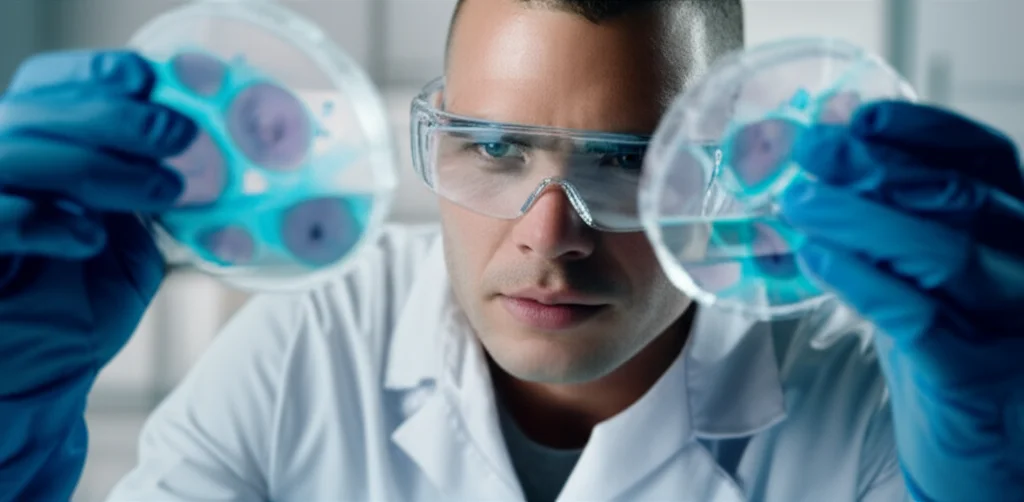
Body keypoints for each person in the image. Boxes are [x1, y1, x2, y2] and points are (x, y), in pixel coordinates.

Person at [1, 0, 1022, 500]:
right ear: (432, 137)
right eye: (492, 148)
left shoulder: (879, 399)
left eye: (628, 162)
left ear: (719, 168)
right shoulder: (309, 349)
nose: (549, 233)